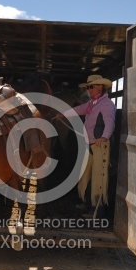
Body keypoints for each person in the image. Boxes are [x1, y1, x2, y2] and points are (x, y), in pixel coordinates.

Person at [55, 74, 116, 218]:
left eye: (91, 87)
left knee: (98, 179)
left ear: (100, 87)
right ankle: (87, 203)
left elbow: (110, 122)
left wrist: (104, 137)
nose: (89, 89)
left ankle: (97, 211)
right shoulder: (92, 104)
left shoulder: (107, 105)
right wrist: (63, 114)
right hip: (90, 144)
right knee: (85, 176)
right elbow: (79, 109)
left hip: (100, 145)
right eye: (88, 87)